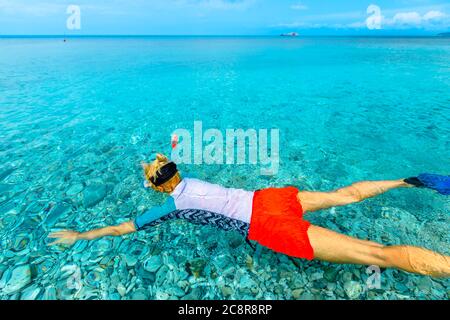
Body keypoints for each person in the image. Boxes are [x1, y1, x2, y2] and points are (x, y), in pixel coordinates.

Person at [48, 154, 450, 277]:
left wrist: (81, 236)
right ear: (177, 171)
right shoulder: (193, 179)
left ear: (155, 187)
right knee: (342, 196)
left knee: (376, 254)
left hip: (266, 224)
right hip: (269, 197)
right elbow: (168, 168)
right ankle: (410, 181)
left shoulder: (171, 205)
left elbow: (123, 228)